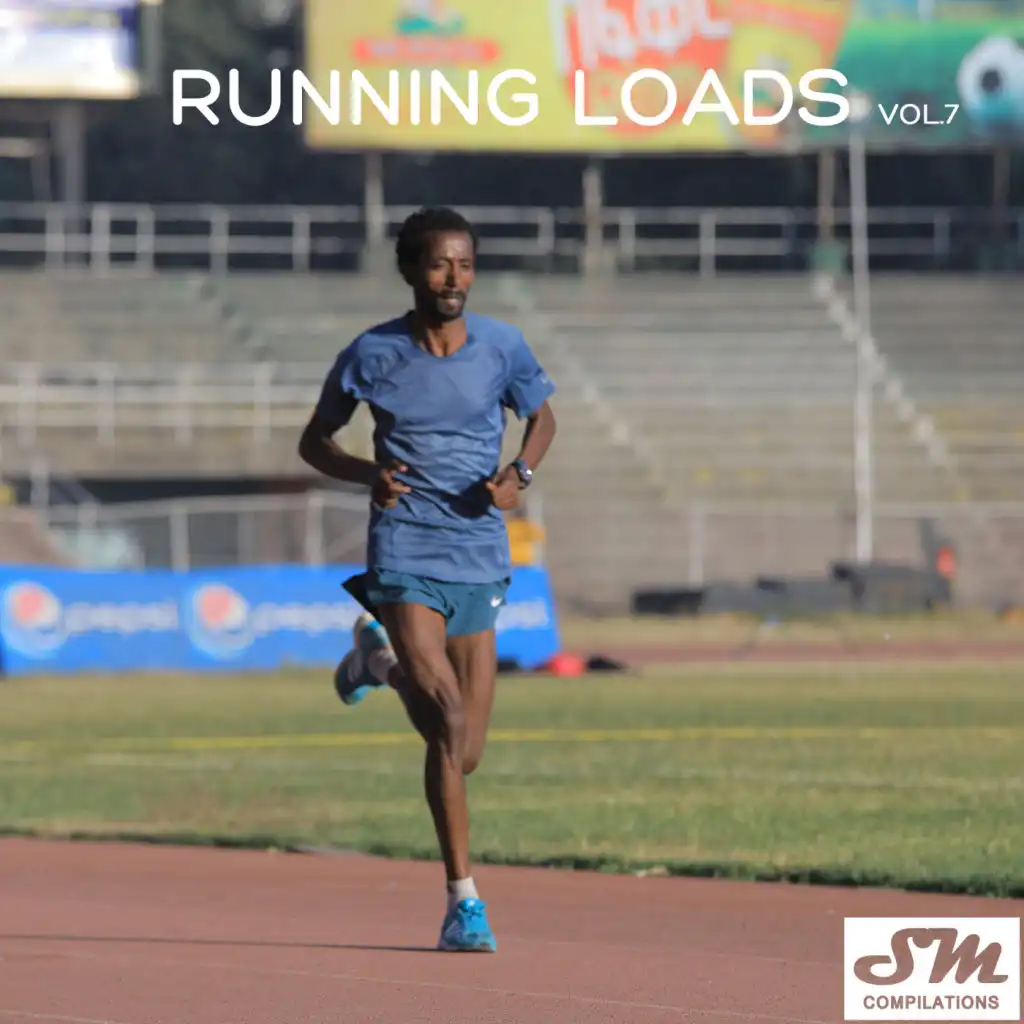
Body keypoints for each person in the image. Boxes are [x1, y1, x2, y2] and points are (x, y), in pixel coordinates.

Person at [297, 206, 557, 953]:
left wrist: (520, 473)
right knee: (444, 719)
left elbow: (543, 419)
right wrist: (367, 474)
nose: (454, 278)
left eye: (465, 265)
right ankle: (463, 902)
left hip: (479, 550)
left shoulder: (503, 347)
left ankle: (374, 661)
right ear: (411, 270)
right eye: (440, 264)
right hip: (405, 546)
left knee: (465, 752)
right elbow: (315, 441)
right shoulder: (371, 353)